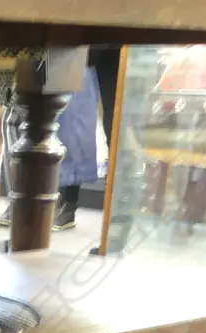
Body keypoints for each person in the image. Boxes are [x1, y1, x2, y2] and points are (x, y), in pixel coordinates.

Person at [53, 46, 122, 233]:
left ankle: (117, 214)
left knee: (115, 117)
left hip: (116, 35)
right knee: (71, 115)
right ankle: (66, 200)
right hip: (87, 32)